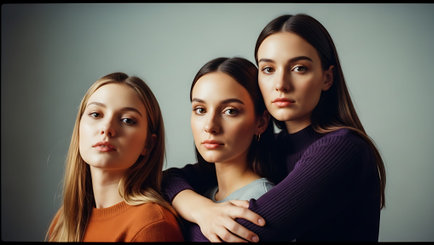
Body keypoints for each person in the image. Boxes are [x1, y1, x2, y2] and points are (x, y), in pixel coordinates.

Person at [162, 14, 386, 242]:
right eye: (268, 69)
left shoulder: (342, 149)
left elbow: (242, 235)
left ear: (327, 78)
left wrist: (177, 223)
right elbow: (167, 179)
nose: (280, 85)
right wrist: (201, 209)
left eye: (299, 68)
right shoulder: (275, 147)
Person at [46, 72, 183, 242]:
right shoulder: (63, 221)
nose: (107, 128)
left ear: (148, 144)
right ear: (79, 128)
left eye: (127, 120)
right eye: (96, 114)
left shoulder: (151, 225)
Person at [173, 57, 282, 241]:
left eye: (230, 111)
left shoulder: (261, 200)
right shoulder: (205, 193)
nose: (210, 126)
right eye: (200, 109)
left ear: (261, 122)